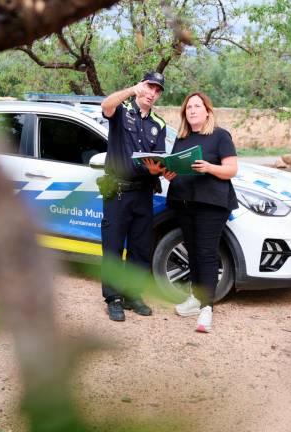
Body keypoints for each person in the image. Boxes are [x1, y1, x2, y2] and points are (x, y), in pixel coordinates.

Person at [162, 92, 238, 333]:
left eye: (197, 106)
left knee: (206, 254)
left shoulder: (220, 136)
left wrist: (208, 167)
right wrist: (169, 174)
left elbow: (231, 170)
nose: (192, 110)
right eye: (189, 107)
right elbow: (175, 166)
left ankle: (207, 308)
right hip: (185, 203)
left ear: (207, 111)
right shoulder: (182, 138)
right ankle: (195, 299)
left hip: (212, 205)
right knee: (192, 253)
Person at [99, 72, 168, 322]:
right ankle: (113, 298)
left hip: (143, 193)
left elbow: (158, 157)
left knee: (140, 248)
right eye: (150, 86)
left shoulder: (158, 124)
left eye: (157, 90)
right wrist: (131, 90)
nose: (152, 93)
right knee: (113, 247)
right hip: (118, 192)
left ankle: (132, 295)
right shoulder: (121, 109)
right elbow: (105, 105)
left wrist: (158, 169)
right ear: (142, 85)